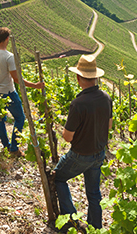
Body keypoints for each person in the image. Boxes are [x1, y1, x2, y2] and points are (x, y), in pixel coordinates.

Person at [54, 55, 112, 230]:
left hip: (80, 155)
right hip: (99, 153)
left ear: (78, 78)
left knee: (58, 178)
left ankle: (71, 221)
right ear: (95, 77)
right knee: (94, 193)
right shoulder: (106, 98)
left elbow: (68, 137)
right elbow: (108, 125)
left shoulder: (78, 104)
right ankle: (95, 228)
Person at [0, 27, 44, 157]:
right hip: (8, 92)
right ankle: (14, 148)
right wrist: (35, 85)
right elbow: (16, 79)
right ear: (7, 39)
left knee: (0, 119)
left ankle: (6, 146)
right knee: (20, 118)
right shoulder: (8, 57)